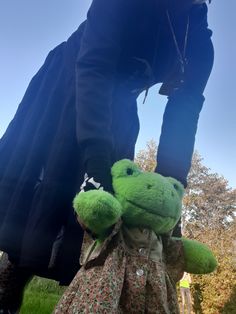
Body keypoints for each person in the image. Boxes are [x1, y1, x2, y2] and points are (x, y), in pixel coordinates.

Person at [0, 0, 214, 312]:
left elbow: (185, 110)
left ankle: (90, 296)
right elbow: (94, 67)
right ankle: (10, 279)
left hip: (120, 105)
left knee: (115, 202)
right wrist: (95, 169)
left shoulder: (199, 40)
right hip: (70, 79)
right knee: (62, 181)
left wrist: (172, 187)